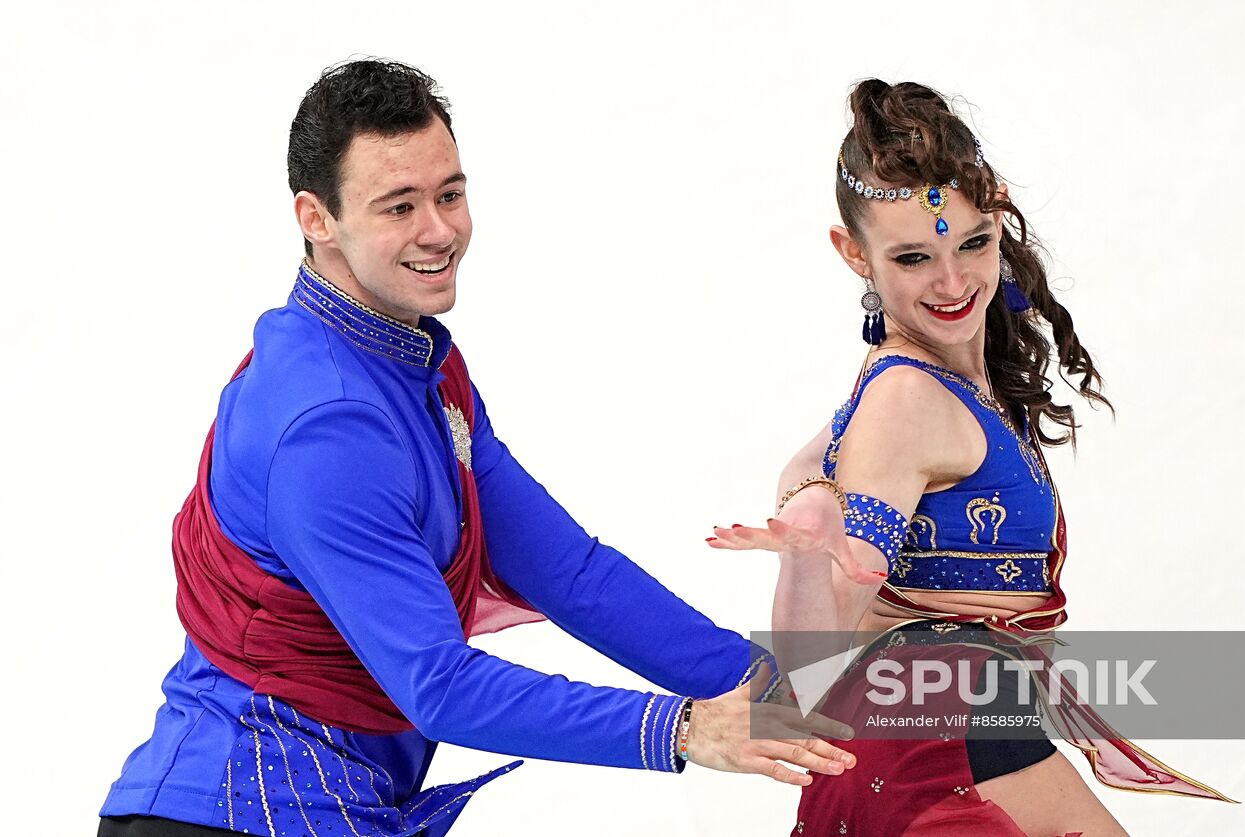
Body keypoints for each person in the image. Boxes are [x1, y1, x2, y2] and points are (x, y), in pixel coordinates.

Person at [97, 59, 856, 837]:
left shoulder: (415, 361)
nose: (440, 231)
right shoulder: (327, 427)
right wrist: (684, 727)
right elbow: (440, 685)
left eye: (449, 194)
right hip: (233, 813)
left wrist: (769, 684)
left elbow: (568, 569)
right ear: (316, 218)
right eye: (399, 206)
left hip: (312, 806)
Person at [709, 79, 1233, 836]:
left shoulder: (921, 382)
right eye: (915, 257)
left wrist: (809, 480)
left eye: (973, 243)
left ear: (997, 207)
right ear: (852, 252)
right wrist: (805, 556)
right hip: (939, 728)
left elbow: (826, 460)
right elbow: (814, 667)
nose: (953, 283)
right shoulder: (906, 400)